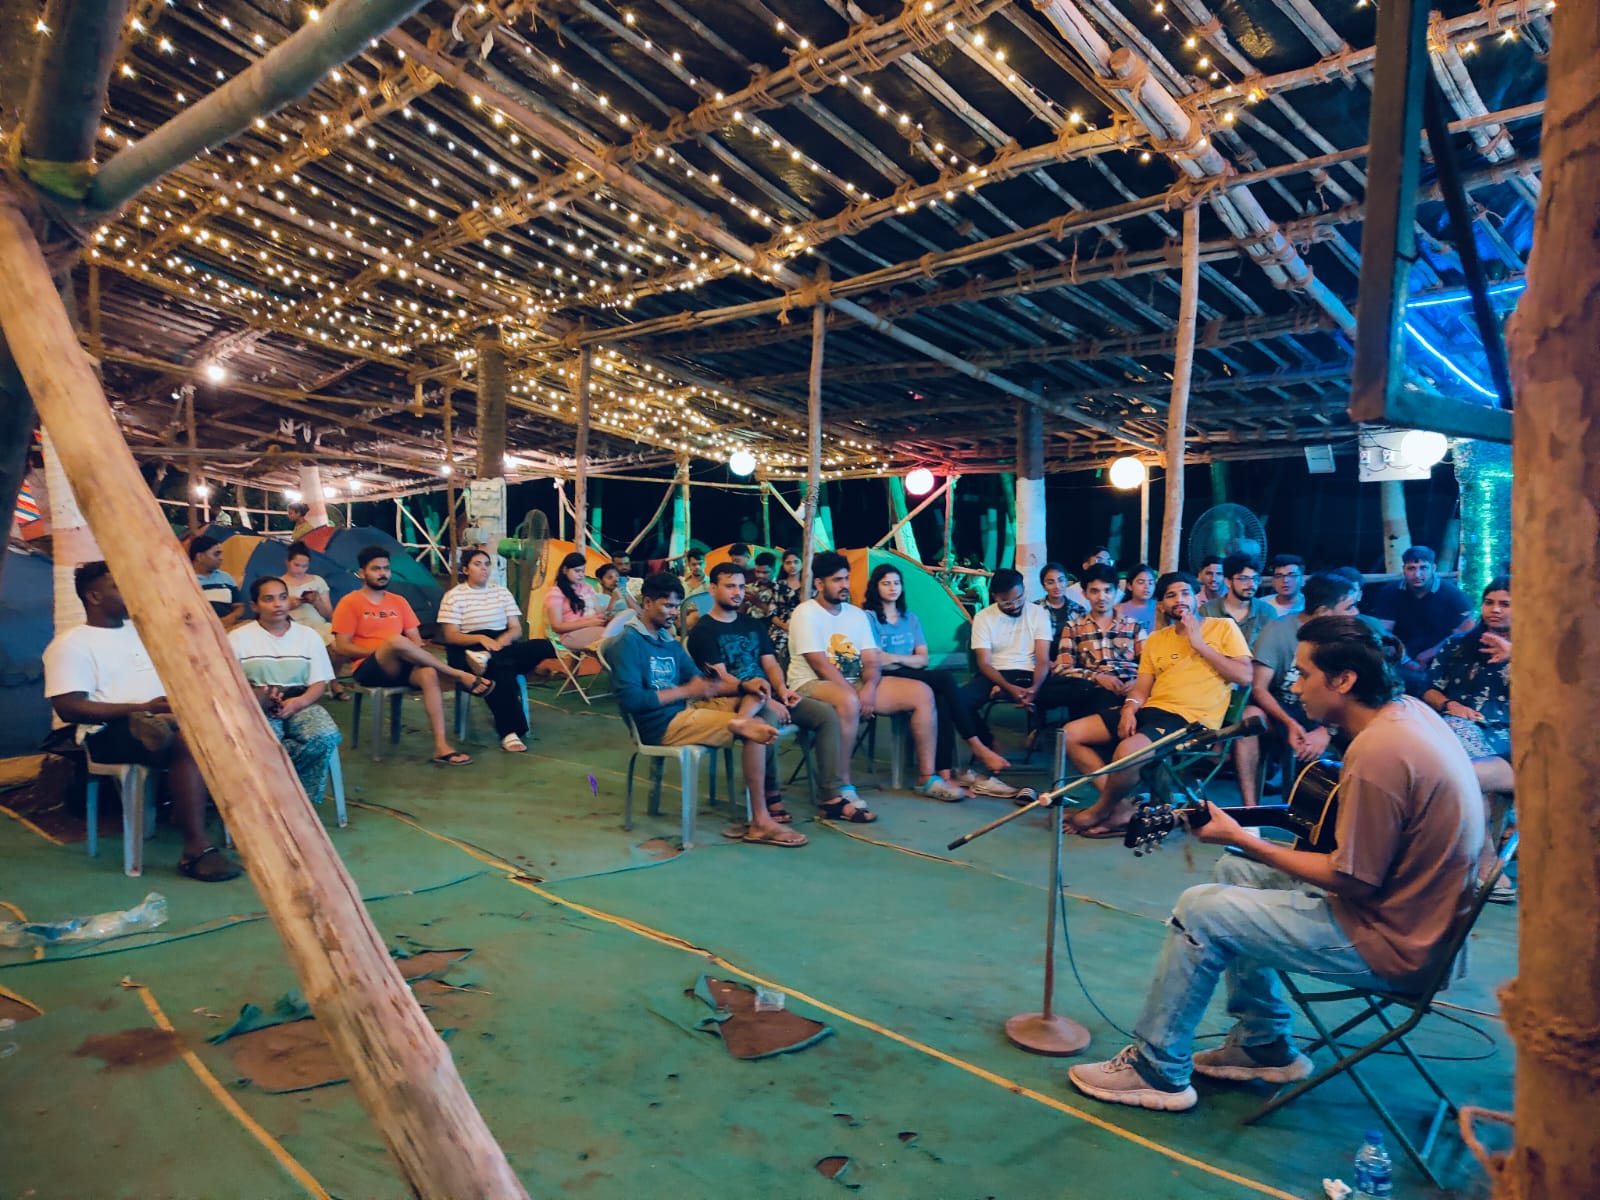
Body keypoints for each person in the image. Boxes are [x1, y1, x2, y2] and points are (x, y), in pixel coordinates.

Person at [1067, 616, 1483, 1112]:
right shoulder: (1407, 712)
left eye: (1304, 674)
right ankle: (1264, 1043)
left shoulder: (1380, 752)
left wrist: (1242, 837)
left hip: (1398, 943)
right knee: (1236, 870)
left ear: (1344, 680)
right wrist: (1243, 846)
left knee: (1201, 908)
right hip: (1420, 919)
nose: (1294, 686)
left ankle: (1156, 1069)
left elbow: (1352, 880)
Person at [43, 562, 242, 882]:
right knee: (186, 740)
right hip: (106, 732)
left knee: (226, 728)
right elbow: (69, 708)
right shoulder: (71, 645)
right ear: (94, 597)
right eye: (119, 586)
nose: (131, 592)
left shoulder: (140, 634)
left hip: (161, 717)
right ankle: (195, 849)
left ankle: (166, 740)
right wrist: (141, 708)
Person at [607, 572, 802, 848]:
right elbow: (632, 701)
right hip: (659, 726)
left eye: (676, 606)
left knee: (754, 699)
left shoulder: (667, 640)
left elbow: (700, 682)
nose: (673, 613)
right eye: (667, 605)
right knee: (756, 729)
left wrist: (744, 685)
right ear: (647, 603)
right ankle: (760, 821)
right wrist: (686, 691)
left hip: (683, 714)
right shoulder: (628, 643)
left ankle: (740, 721)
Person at [1062, 572, 1251, 838]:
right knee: (1069, 734)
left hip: (1192, 720)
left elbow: (1244, 676)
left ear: (1197, 597)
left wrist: (1199, 644)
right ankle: (1120, 807)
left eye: (1185, 593)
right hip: (1153, 710)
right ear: (1161, 605)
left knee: (1128, 751)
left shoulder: (1223, 627)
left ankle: (1099, 811)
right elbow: (1141, 688)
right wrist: (1129, 708)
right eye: (1171, 595)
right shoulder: (1156, 639)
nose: (1179, 599)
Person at [787, 551, 957, 816]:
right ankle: (843, 784)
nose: (845, 585)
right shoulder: (805, 613)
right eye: (837, 580)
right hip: (811, 683)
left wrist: (868, 688)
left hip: (855, 684)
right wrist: (855, 694)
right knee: (848, 701)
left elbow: (871, 660)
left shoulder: (856, 615)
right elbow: (819, 664)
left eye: (846, 578)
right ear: (819, 583)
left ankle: (926, 778)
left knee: (922, 692)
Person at [686, 563, 847, 825]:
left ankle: (831, 796)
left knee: (825, 714)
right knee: (766, 721)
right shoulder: (703, 631)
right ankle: (770, 795)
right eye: (730, 586)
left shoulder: (752, 624)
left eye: (741, 586)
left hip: (767, 693)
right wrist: (769, 700)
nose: (737, 592)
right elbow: (723, 678)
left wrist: (782, 690)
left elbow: (770, 664)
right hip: (733, 699)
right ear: (713, 589)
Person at [331, 545, 486, 766]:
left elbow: (416, 641)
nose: (383, 573)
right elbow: (342, 647)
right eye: (376, 569)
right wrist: (384, 649)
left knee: (428, 672)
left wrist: (400, 650)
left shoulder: (399, 601)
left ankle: (441, 746)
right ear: (362, 573)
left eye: (386, 568)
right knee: (394, 641)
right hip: (368, 668)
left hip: (401, 664)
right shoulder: (350, 602)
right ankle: (457, 674)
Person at [862, 562, 1009, 787]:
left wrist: (895, 657)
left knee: (942, 697)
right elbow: (876, 659)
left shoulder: (910, 618)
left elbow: (923, 659)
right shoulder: (869, 618)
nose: (893, 588)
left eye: (897, 583)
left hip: (911, 672)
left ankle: (944, 772)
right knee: (945, 680)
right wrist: (904, 659)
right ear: (876, 587)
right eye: (886, 583)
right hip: (885, 678)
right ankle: (978, 745)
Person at [1422, 577, 1514, 902]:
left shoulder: (1540, 652)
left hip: (1512, 746)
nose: (1495, 610)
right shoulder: (1458, 645)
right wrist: (1450, 704)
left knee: (1458, 771)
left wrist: (1516, 657)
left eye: (1505, 604)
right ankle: (1486, 864)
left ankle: (1475, 865)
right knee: (1456, 732)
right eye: (1489, 602)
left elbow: (1554, 700)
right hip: (1459, 732)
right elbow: (1428, 688)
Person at [1233, 572, 1362, 806]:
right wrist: (1291, 723)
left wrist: (1326, 730)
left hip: (1329, 714)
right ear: (1323, 612)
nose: (1355, 613)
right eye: (1349, 607)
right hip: (1285, 710)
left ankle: (1347, 809)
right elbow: (1259, 688)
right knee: (1249, 717)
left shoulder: (1349, 635)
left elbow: (1355, 695)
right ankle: (1250, 811)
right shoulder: (1278, 630)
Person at [959, 568, 1075, 785]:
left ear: (1024, 590)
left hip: (1029, 674)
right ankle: (988, 743)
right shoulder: (984, 618)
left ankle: (1058, 749)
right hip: (995, 674)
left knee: (1080, 689)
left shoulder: (1038, 613)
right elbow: (984, 663)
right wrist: (1008, 687)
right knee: (959, 700)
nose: (1014, 605)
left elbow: (1043, 659)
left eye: (1019, 598)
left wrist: (1034, 690)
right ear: (995, 597)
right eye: (1007, 602)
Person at [230, 576, 342, 800]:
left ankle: (297, 797)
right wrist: (258, 698)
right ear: (254, 606)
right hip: (256, 707)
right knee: (263, 742)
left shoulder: (308, 636)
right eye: (268, 599)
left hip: (300, 702)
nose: (278, 604)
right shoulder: (238, 638)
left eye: (282, 597)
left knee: (325, 735)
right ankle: (270, 797)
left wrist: (298, 703)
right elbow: (229, 683)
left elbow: (319, 683)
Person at [437, 548, 558, 753]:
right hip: (467, 647)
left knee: (544, 646)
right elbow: (450, 636)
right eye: (477, 564)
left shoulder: (501, 592)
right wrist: (480, 639)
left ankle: (486, 658)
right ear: (466, 569)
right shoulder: (454, 596)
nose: (484, 568)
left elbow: (516, 629)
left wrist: (497, 644)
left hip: (501, 644)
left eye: (487, 564)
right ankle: (509, 732)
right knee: (502, 671)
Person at [1051, 564, 1147, 732]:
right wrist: (1097, 677)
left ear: (1116, 592)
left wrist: (1138, 682)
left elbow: (1150, 665)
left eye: (1107, 590)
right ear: (1085, 594)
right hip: (1095, 689)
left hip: (1132, 687)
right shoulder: (1073, 627)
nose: (1102, 597)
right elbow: (1062, 668)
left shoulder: (1134, 626)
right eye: (1095, 591)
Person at [1365, 546, 1475, 692]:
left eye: (1423, 568)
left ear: (1433, 568)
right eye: (1411, 568)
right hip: (1401, 658)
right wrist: (1406, 660)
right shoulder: (1389, 592)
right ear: (1404, 569)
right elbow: (1383, 632)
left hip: (1442, 657)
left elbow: (1465, 633)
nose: (1417, 574)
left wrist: (1433, 652)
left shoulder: (1453, 595)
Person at [280, 541, 346, 698]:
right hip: (293, 626)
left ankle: (333, 679)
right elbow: (271, 612)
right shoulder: (278, 583)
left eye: (305, 566)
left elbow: (329, 613)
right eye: (297, 565)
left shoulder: (317, 581)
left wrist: (315, 601)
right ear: (287, 562)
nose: (300, 570)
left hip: (318, 624)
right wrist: (288, 605)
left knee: (339, 645)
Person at [1198, 553, 1278, 649]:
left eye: (1255, 579)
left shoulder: (1267, 612)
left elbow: (1272, 651)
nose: (1252, 584)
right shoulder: (1208, 611)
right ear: (1228, 581)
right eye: (1244, 579)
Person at [545, 552, 611, 651]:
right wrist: (589, 623)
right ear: (565, 570)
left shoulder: (587, 587)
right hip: (570, 634)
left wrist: (603, 616)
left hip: (593, 626)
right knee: (611, 638)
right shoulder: (556, 593)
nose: (581, 574)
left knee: (622, 629)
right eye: (577, 571)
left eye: (583, 571)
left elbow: (598, 611)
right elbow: (557, 627)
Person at [190, 535, 244, 627]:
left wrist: (230, 618)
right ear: (200, 557)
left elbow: (239, 606)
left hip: (228, 626)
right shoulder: (186, 580)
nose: (221, 558)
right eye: (216, 554)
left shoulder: (226, 578)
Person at [1037, 562, 1087, 661]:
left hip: (1070, 661)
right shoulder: (1035, 608)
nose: (1057, 586)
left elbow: (1082, 643)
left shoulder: (1079, 610)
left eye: (1061, 580)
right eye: (1050, 582)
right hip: (1041, 661)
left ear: (1066, 582)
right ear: (1043, 586)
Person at [768, 550, 804, 664]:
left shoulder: (810, 585)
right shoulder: (777, 585)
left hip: (804, 627)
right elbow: (771, 611)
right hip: (781, 627)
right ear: (783, 565)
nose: (792, 565)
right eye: (788, 563)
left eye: (796, 562)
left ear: (802, 563)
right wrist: (784, 626)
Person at [1115, 564, 1157, 632]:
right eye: (1141, 582)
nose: (1147, 586)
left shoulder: (1161, 608)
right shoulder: (1117, 610)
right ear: (1129, 586)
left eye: (1151, 583)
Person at [1264, 554, 1306, 618]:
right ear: (1273, 581)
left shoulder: (1312, 605)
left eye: (1292, 575)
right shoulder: (1262, 605)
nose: (1285, 580)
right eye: (1279, 576)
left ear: (1302, 580)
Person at [742, 552, 779, 621]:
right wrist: (742, 601)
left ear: (774, 570)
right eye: (757, 571)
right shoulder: (749, 587)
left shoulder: (781, 590)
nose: (760, 575)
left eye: (765, 572)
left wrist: (758, 602)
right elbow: (740, 614)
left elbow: (780, 618)